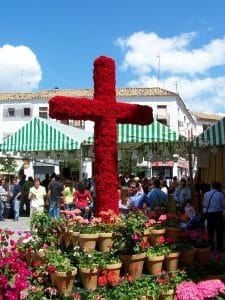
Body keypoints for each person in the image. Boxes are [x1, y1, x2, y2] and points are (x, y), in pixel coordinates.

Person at [203, 181, 225, 252]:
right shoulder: (220, 194)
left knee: (210, 231)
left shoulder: (206, 194)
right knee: (219, 232)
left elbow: (205, 205)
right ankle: (219, 248)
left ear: (211, 186)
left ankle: (211, 247)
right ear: (218, 187)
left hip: (209, 214)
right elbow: (224, 205)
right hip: (218, 214)